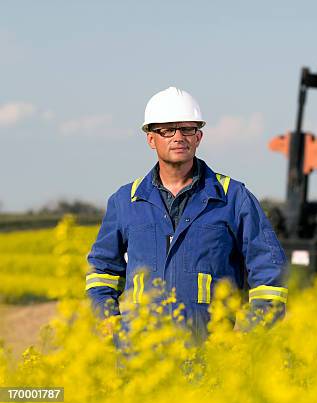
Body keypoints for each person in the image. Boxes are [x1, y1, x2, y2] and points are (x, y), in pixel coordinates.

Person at [86, 86, 287, 340]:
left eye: (187, 129)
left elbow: (270, 272)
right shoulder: (126, 201)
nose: (178, 136)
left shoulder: (234, 198)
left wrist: (250, 339)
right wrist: (110, 327)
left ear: (198, 137)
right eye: (167, 130)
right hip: (139, 357)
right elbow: (102, 273)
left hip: (211, 356)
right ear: (151, 139)